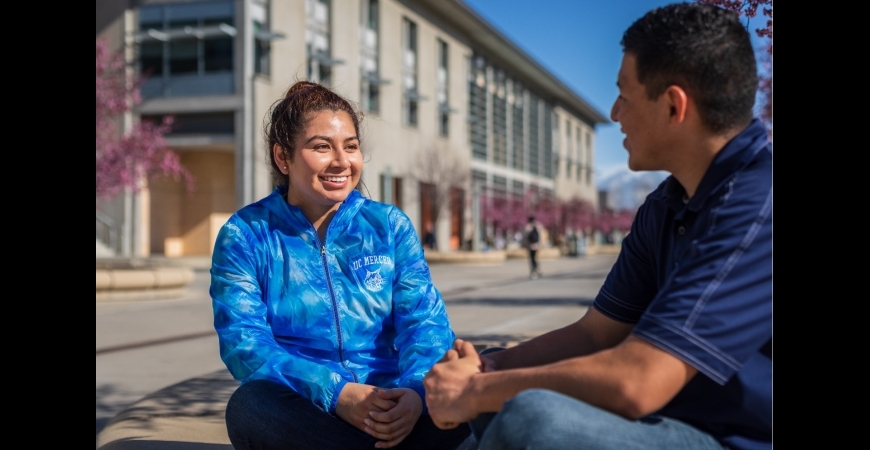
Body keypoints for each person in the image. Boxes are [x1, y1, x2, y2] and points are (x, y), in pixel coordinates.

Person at [423, 4, 771, 450]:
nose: (614, 111)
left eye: (624, 94)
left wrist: (473, 392)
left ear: (672, 105)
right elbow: (594, 334)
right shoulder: (665, 206)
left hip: (731, 440)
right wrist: (487, 369)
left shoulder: (759, 203)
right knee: (494, 400)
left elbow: (638, 381)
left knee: (533, 418)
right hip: (664, 423)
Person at [211, 81, 471, 450]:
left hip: (395, 405)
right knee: (251, 407)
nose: (342, 161)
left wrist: (414, 395)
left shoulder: (389, 226)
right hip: (312, 413)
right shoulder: (246, 235)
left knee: (485, 374)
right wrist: (337, 394)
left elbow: (425, 325)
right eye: (321, 147)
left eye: (351, 146)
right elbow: (245, 345)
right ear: (283, 157)